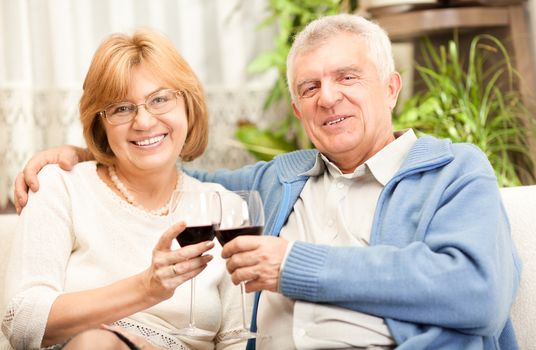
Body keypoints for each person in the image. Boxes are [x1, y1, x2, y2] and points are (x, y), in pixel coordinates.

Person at [13, 14, 521, 350]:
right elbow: (168, 176)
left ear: (390, 88)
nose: (328, 98)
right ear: (298, 109)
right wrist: (85, 154)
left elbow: (477, 291)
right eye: (310, 87)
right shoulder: (277, 179)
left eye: (347, 77)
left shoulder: (453, 170)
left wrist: (296, 264)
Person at [2, 29, 247, 350]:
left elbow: (239, 338)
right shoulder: (61, 185)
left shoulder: (226, 207)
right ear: (100, 122)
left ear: (189, 105)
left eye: (160, 99)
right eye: (121, 108)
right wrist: (146, 288)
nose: (144, 122)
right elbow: (20, 320)